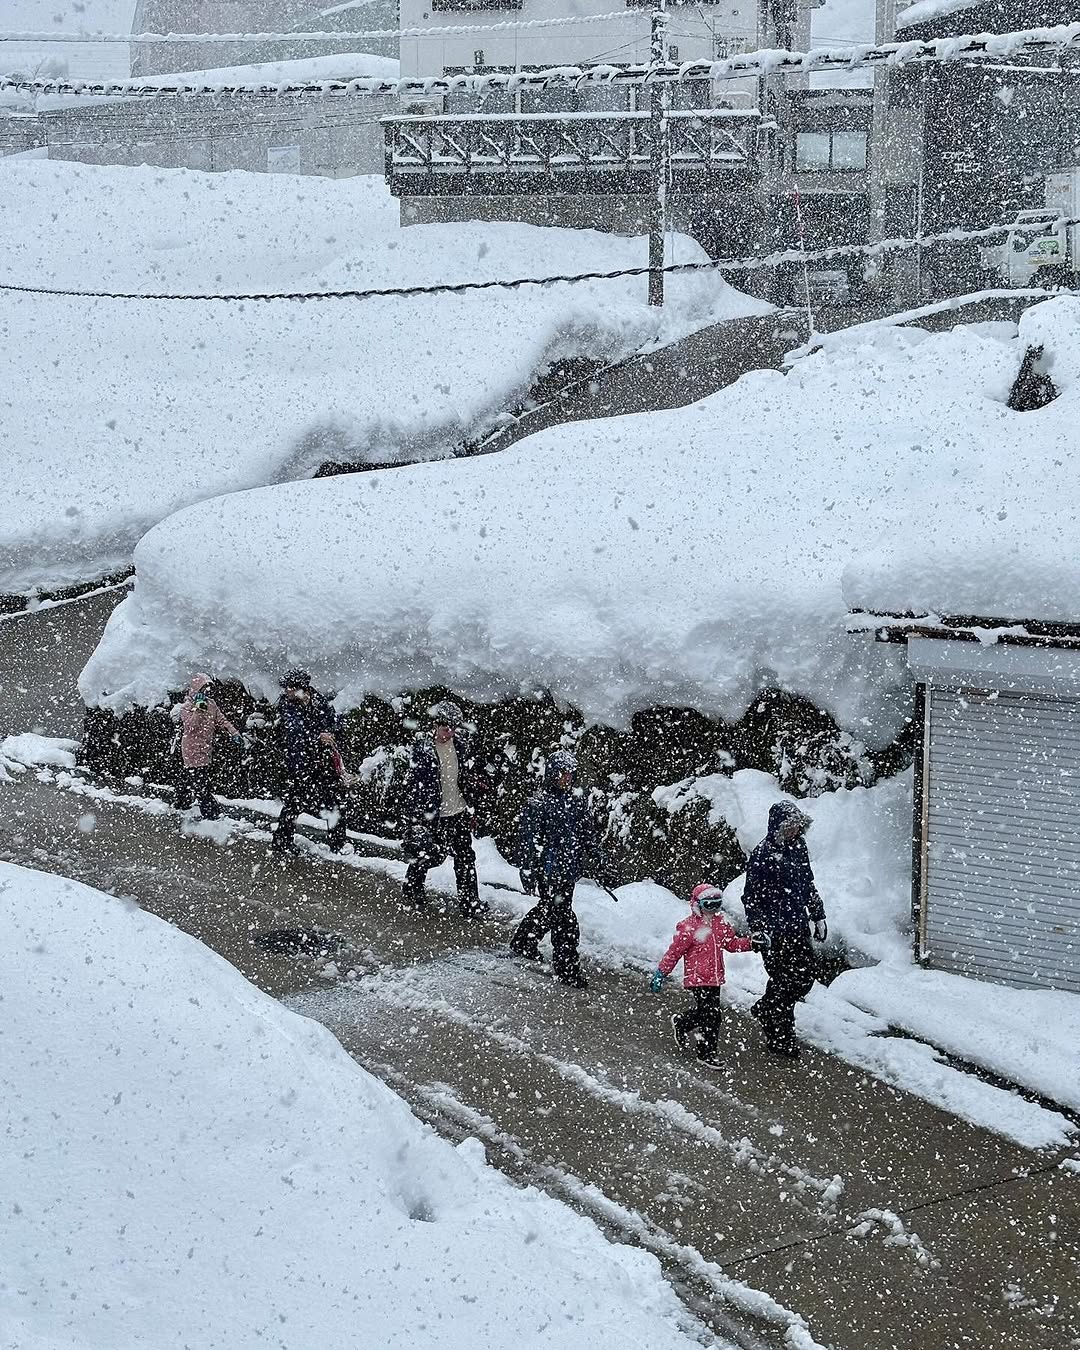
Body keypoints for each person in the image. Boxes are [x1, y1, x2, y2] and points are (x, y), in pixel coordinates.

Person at [509, 749, 609, 990]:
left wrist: (598, 858)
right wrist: (528, 868)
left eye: (570, 773)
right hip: (548, 869)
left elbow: (586, 834)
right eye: (563, 773)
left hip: (568, 869)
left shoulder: (576, 801)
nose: (567, 778)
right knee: (564, 918)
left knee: (549, 909)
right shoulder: (538, 803)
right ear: (552, 774)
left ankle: (523, 942)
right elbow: (528, 839)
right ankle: (567, 969)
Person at [742, 801, 829, 1060]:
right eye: (789, 826)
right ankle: (781, 1037)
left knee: (803, 977)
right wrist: (758, 928)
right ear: (778, 827)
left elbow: (807, 883)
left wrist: (818, 914)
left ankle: (767, 1009)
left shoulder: (798, 847)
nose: (794, 831)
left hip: (797, 926)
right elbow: (751, 897)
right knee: (783, 980)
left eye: (797, 826)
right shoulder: (762, 854)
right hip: (773, 932)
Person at [649, 883, 760, 1069]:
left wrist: (751, 944)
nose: (713, 910)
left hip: (715, 978)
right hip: (697, 978)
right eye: (709, 905)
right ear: (697, 904)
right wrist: (661, 972)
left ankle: (681, 1022)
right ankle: (706, 1053)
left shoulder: (721, 924)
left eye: (717, 905)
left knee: (705, 1013)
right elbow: (674, 953)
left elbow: (731, 944)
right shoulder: (688, 927)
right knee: (712, 1016)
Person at [401, 700, 488, 917]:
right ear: (435, 725)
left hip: (457, 811)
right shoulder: (423, 750)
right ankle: (413, 887)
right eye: (445, 728)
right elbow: (415, 785)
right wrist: (419, 816)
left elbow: (465, 776)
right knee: (431, 855)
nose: (449, 733)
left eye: (453, 728)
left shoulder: (461, 746)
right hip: (433, 814)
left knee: (465, 858)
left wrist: (473, 800)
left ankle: (470, 903)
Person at [270, 668, 347, 856]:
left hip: (322, 762)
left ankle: (338, 842)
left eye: (289, 687)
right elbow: (294, 732)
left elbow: (333, 720)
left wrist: (332, 732)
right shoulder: (287, 706)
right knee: (294, 803)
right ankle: (281, 840)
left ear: (301, 687)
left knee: (333, 800)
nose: (286, 692)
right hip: (300, 762)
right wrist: (317, 737)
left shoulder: (318, 700)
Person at [172, 673, 243, 821]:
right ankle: (211, 813)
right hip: (191, 749)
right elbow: (191, 726)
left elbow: (222, 720)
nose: (206, 692)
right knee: (199, 782)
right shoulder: (187, 707)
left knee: (191, 776)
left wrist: (234, 733)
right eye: (203, 689)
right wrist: (198, 709)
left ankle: (181, 801)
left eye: (207, 689)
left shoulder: (211, 704)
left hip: (205, 747)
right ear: (196, 689)